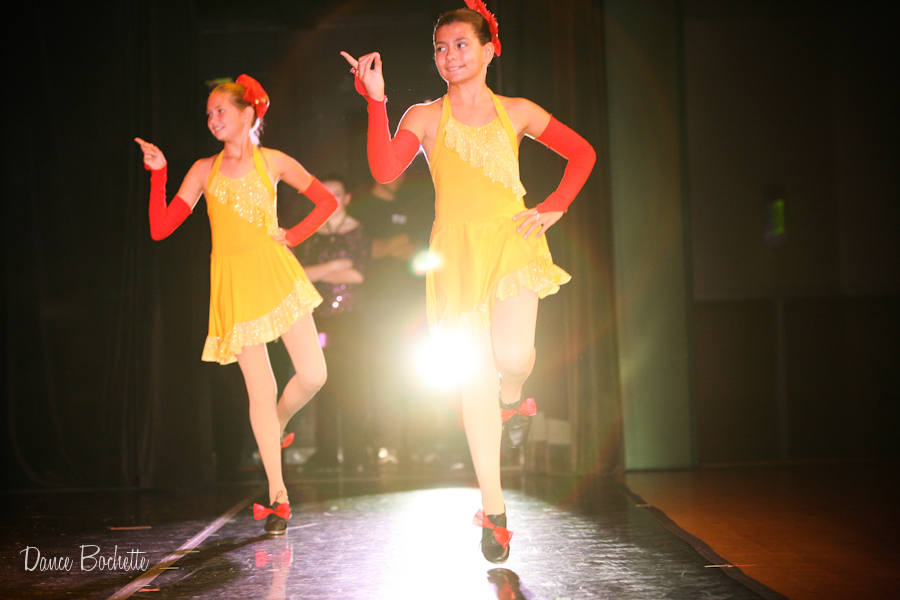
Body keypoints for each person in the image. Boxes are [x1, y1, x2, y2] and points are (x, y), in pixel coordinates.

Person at [341, 1, 596, 563]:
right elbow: (384, 169)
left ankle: (513, 397)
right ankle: (494, 510)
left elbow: (582, 153)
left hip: (512, 243)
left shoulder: (518, 111)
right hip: (455, 255)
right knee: (471, 381)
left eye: (461, 44)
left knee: (514, 355)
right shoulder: (423, 116)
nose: (450, 56)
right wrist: (377, 101)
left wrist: (554, 205)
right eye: (440, 47)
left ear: (488, 50)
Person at [134, 74, 338, 535]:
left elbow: (325, 201)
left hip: (277, 273)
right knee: (259, 392)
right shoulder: (202, 170)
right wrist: (159, 173)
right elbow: (160, 228)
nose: (212, 119)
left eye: (220, 110)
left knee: (314, 375)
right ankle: (278, 496)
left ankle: (277, 422)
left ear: (248, 114)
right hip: (234, 285)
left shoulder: (274, 161)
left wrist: (294, 235)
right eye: (208, 113)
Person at [296, 174, 372, 474]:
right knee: (321, 384)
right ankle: (326, 453)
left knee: (353, 386)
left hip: (351, 319)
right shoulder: (310, 233)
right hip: (318, 318)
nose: (332, 199)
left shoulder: (358, 231)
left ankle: (356, 454)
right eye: (325, 193)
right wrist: (336, 265)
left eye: (337, 193)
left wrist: (321, 272)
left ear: (347, 198)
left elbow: (358, 275)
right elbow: (300, 275)